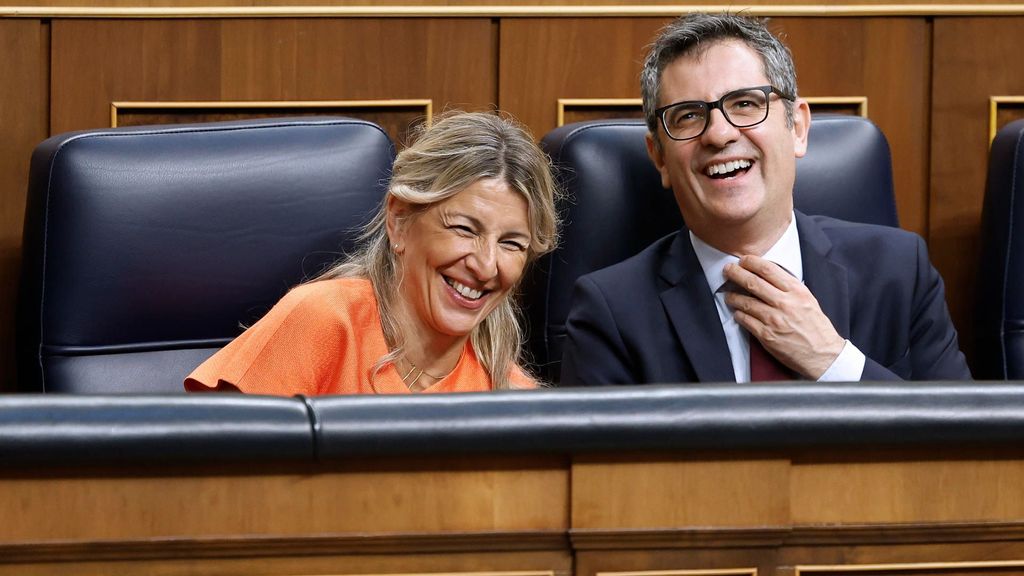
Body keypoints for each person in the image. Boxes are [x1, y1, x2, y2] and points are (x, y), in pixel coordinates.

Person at [560, 12, 971, 385]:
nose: (719, 134)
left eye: (745, 104)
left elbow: (963, 449)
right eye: (688, 115)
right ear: (659, 158)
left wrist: (833, 361)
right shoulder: (610, 311)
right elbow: (612, 471)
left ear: (797, 128)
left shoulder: (899, 272)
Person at [186, 112, 559, 395]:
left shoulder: (511, 394)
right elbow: (203, 481)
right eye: (464, 229)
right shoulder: (321, 320)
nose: (486, 265)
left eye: (511, 243)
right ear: (399, 220)